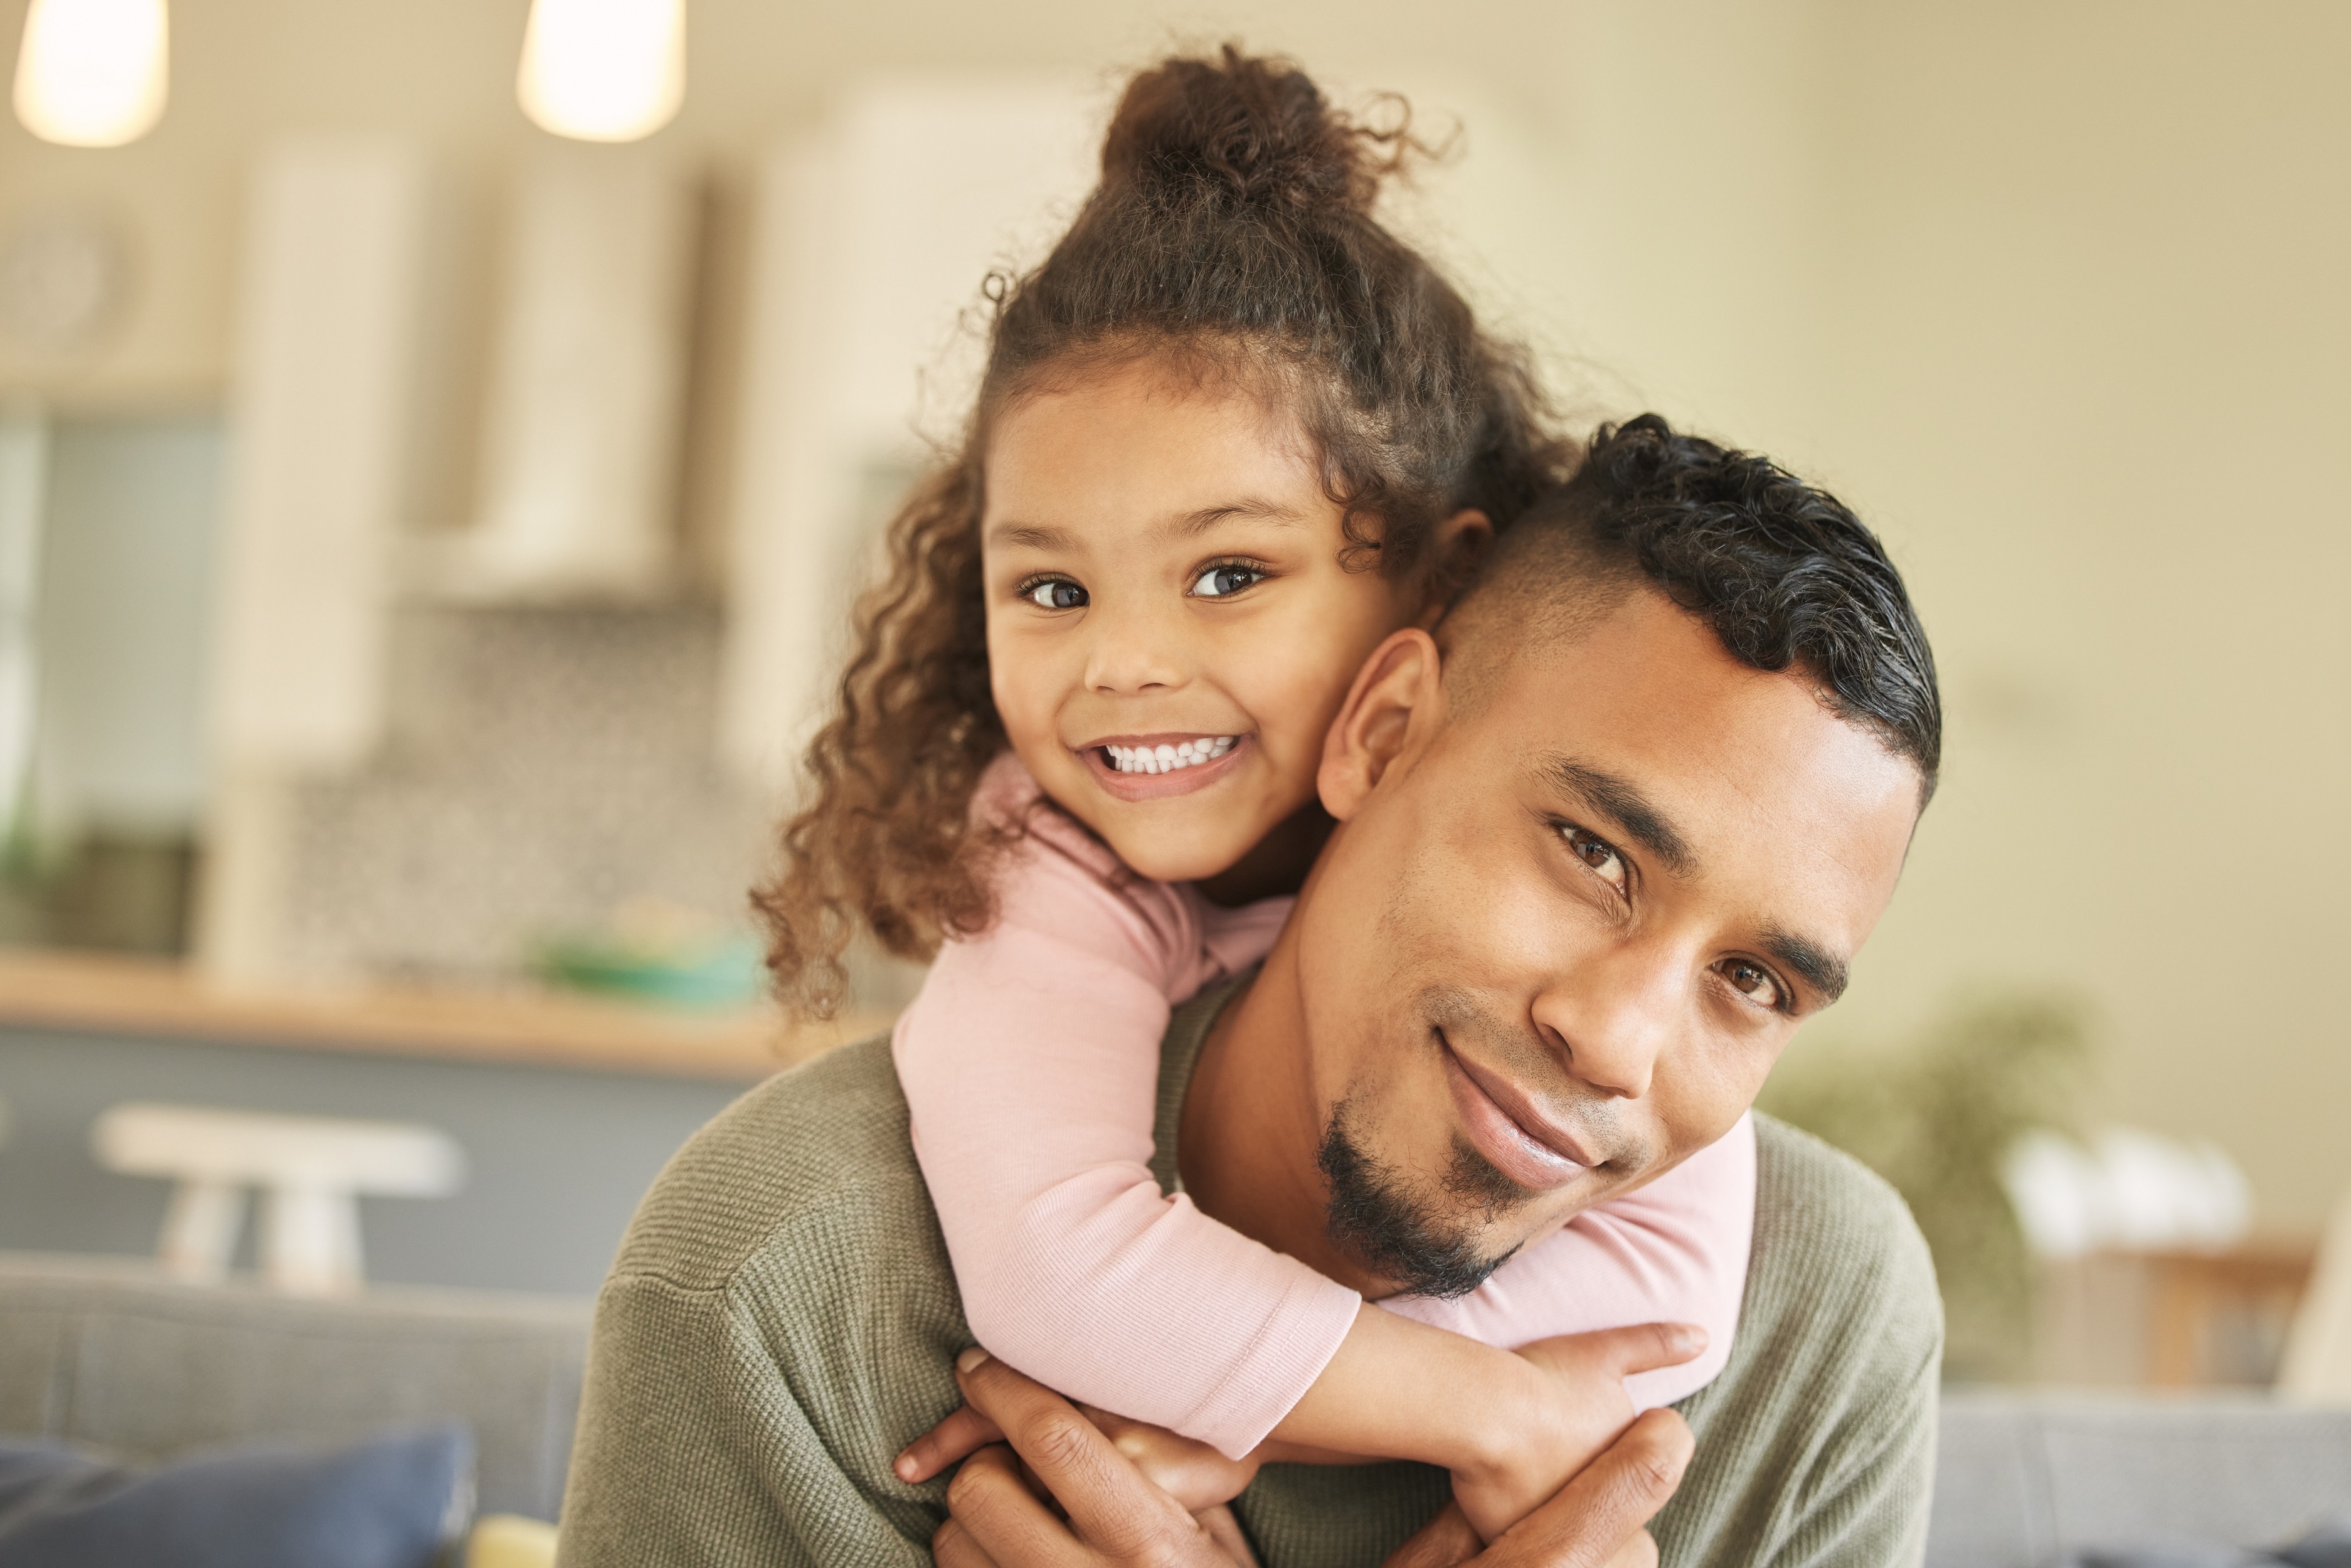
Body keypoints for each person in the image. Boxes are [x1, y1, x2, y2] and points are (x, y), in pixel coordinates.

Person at [554, 415, 1945, 1568]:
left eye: (1751, 980)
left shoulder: (1815, 1324)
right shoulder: (782, 1282)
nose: (1616, 1038)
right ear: (1382, 731)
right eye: (1590, 852)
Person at [750, 47, 1754, 1540]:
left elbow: (1670, 1282)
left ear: (1439, 580)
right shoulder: (1048, 854)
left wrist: (1221, 1411)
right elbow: (1052, 1261)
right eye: (1049, 584)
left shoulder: (1556, 920)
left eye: (1228, 572)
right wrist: (1491, 1409)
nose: (1123, 662)